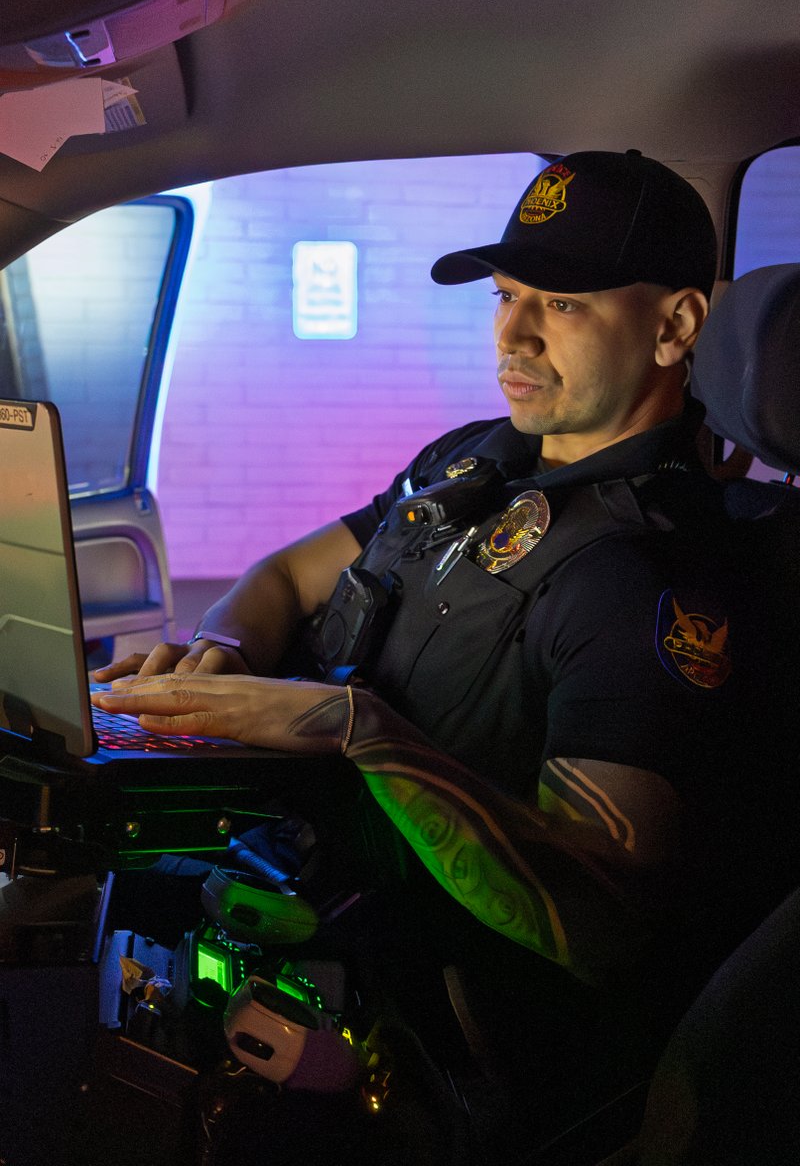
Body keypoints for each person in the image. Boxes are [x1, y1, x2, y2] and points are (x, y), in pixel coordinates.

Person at [94, 153, 750, 1125]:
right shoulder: (470, 459)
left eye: (561, 304)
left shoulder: (646, 575)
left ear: (674, 325)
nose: (511, 333)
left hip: (441, 1036)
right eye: (504, 293)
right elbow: (280, 578)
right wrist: (222, 658)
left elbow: (599, 922)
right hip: (306, 894)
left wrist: (355, 727)